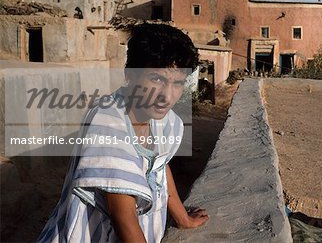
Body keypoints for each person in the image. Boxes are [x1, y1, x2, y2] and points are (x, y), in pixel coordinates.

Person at [37, 23, 208, 242]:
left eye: (178, 83)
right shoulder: (107, 121)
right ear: (130, 74)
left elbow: (159, 166)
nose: (167, 95)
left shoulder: (166, 121)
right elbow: (123, 217)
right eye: (157, 79)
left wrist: (183, 218)